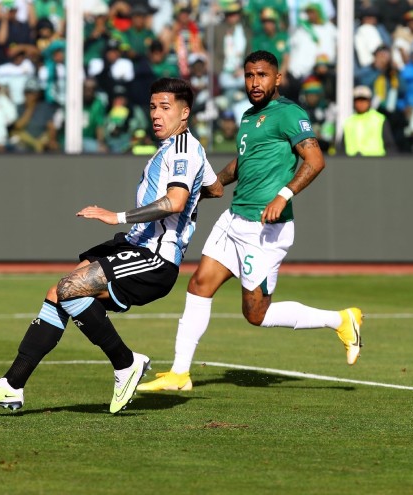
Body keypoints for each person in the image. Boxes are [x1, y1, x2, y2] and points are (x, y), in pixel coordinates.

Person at [0, 77, 223, 414]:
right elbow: (216, 188)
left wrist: (117, 216)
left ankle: (125, 362)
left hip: (155, 257)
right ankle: (12, 385)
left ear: (185, 112)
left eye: (165, 107)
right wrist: (197, 194)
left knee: (71, 287)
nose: (156, 115)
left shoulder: (183, 150)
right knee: (58, 292)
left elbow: (175, 201)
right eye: (152, 107)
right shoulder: (185, 149)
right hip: (134, 245)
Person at [137, 51, 363, 393]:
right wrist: (211, 185)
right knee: (199, 285)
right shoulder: (248, 116)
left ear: (277, 78)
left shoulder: (289, 113)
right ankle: (180, 373)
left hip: (266, 228)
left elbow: (315, 160)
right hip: (235, 218)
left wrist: (283, 195)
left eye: (261, 75)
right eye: (249, 76)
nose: (254, 82)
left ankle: (341, 320)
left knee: (256, 314)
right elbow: (242, 164)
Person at [341, 85, 395, 157]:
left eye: (364, 100)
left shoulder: (379, 119)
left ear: (369, 101)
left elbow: (390, 146)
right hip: (351, 163)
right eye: (358, 100)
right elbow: (341, 147)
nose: (361, 103)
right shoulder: (348, 122)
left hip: (376, 163)